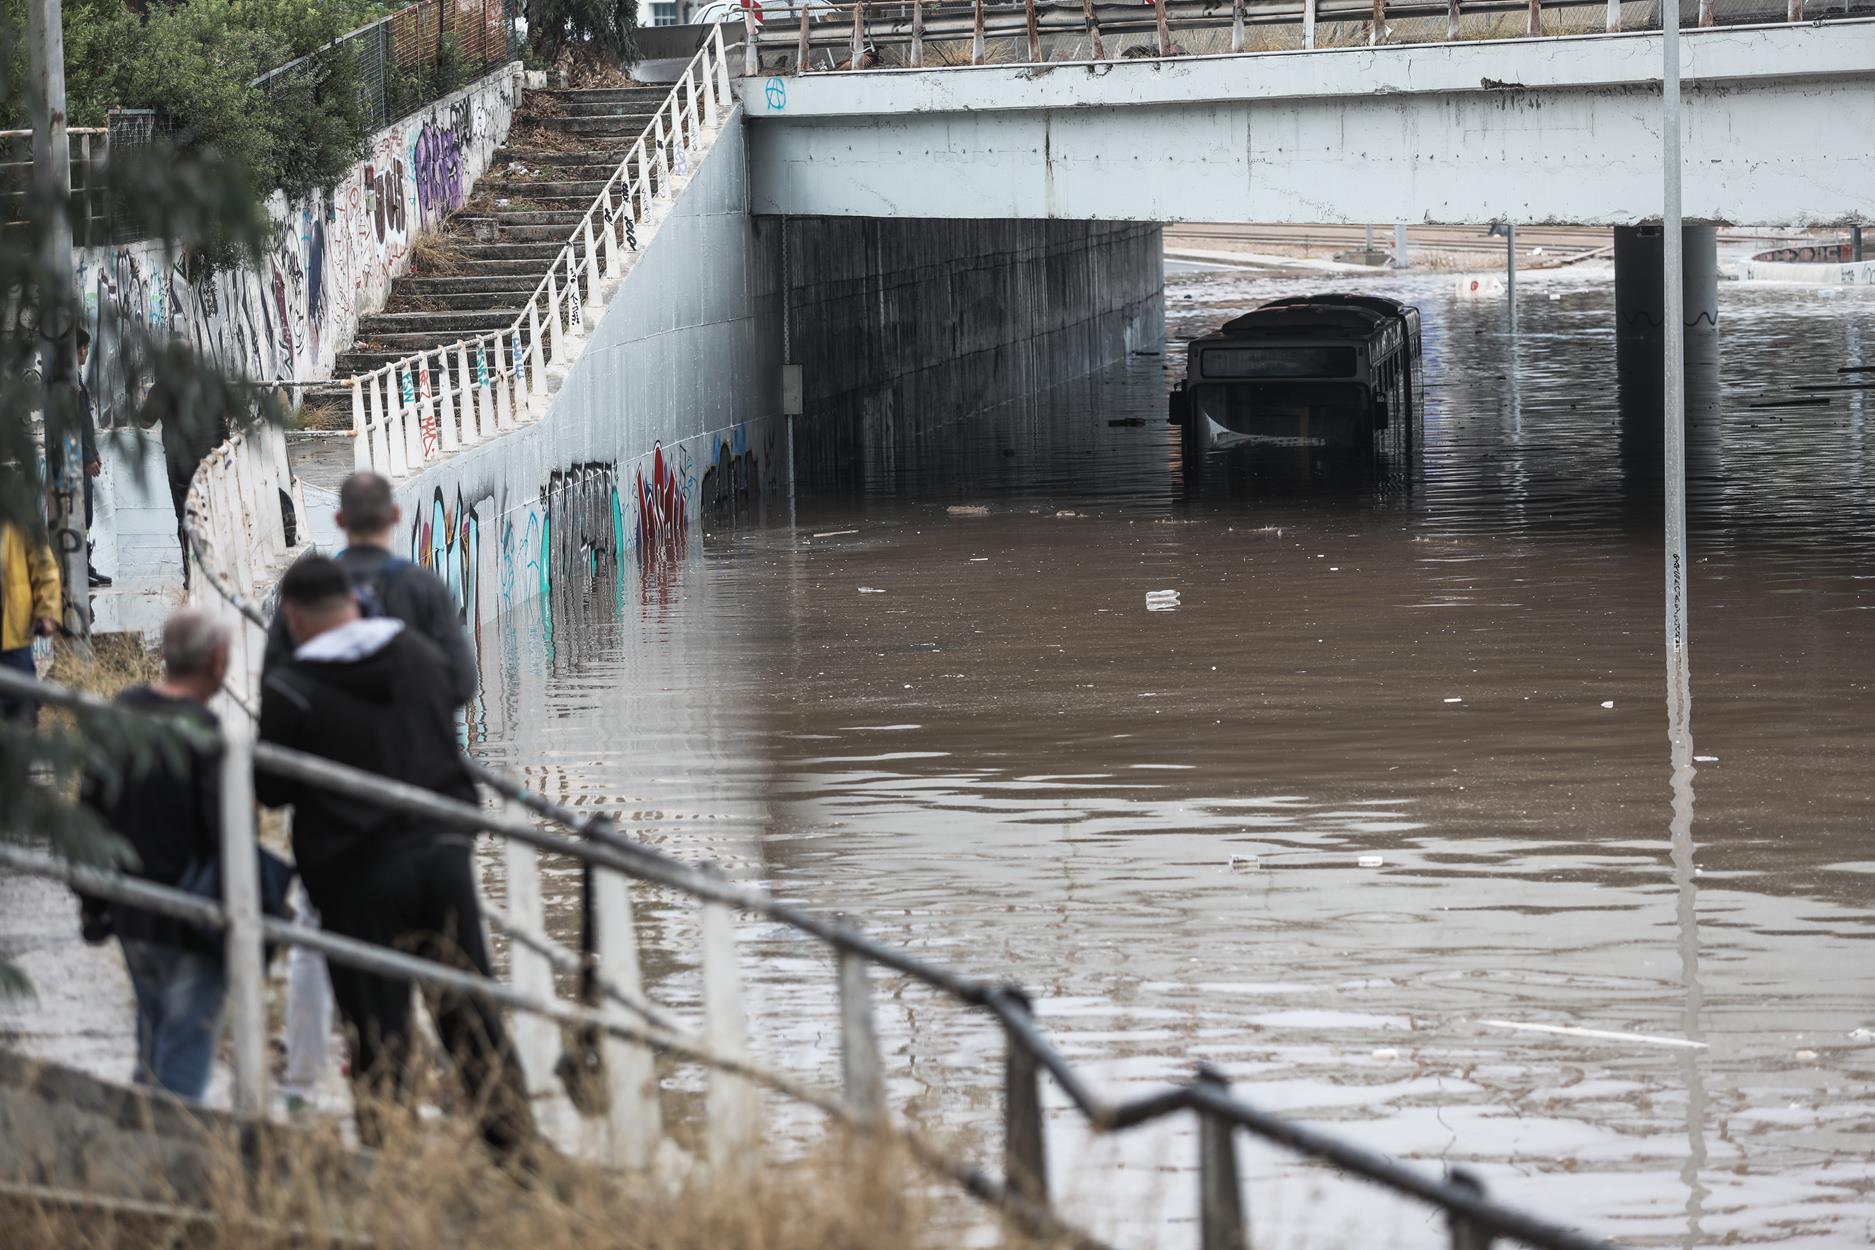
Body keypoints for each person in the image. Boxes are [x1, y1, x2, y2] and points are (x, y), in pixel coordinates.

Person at [256, 555, 533, 1157]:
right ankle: (516, 1154)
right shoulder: (417, 657)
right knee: (470, 1010)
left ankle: (388, 1157)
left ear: (295, 619)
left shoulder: (291, 689)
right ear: (352, 603)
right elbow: (448, 715)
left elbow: (271, 787)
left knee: (376, 1025)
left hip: (355, 877)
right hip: (440, 857)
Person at [76, 610, 231, 1101]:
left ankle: (139, 1131)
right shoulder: (205, 732)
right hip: (185, 913)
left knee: (152, 1028)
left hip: (129, 911)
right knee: (184, 1047)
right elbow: (219, 835)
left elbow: (88, 811)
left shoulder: (123, 710)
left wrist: (92, 903)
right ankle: (168, 1164)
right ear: (217, 662)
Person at [263, 471, 476, 707]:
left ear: (340, 519)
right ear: (395, 515)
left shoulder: (308, 588)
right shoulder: (424, 587)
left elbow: (273, 680)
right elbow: (462, 683)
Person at [44, 328, 107, 588]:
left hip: (81, 455)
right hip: (74, 459)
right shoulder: (63, 382)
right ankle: (76, 567)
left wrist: (94, 450)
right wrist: (87, 455)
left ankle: (84, 564)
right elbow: (73, 423)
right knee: (79, 512)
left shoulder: (72, 378)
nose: (85, 353)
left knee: (86, 514)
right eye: (83, 348)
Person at [0, 515, 61, 726]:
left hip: (12, 633)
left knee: (22, 703)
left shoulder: (17, 513)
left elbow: (44, 566)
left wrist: (48, 612)